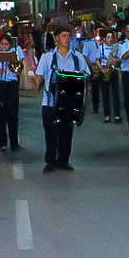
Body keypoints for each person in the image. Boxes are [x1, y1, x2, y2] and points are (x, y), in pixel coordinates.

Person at [34, 25, 90, 173]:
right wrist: (35, 83)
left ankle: (64, 160)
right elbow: (39, 77)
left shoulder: (78, 57)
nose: (67, 39)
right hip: (50, 102)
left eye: (68, 36)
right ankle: (50, 161)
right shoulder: (47, 57)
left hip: (70, 103)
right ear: (56, 38)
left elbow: (86, 76)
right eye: (63, 36)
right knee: (50, 133)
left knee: (67, 133)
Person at [95, 29, 121, 123]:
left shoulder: (115, 47)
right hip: (104, 70)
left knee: (115, 93)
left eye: (111, 37)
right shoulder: (101, 47)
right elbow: (97, 60)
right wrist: (101, 68)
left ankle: (117, 115)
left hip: (113, 70)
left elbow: (119, 58)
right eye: (108, 37)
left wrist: (115, 60)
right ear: (104, 39)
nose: (110, 39)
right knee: (105, 94)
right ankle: (107, 115)